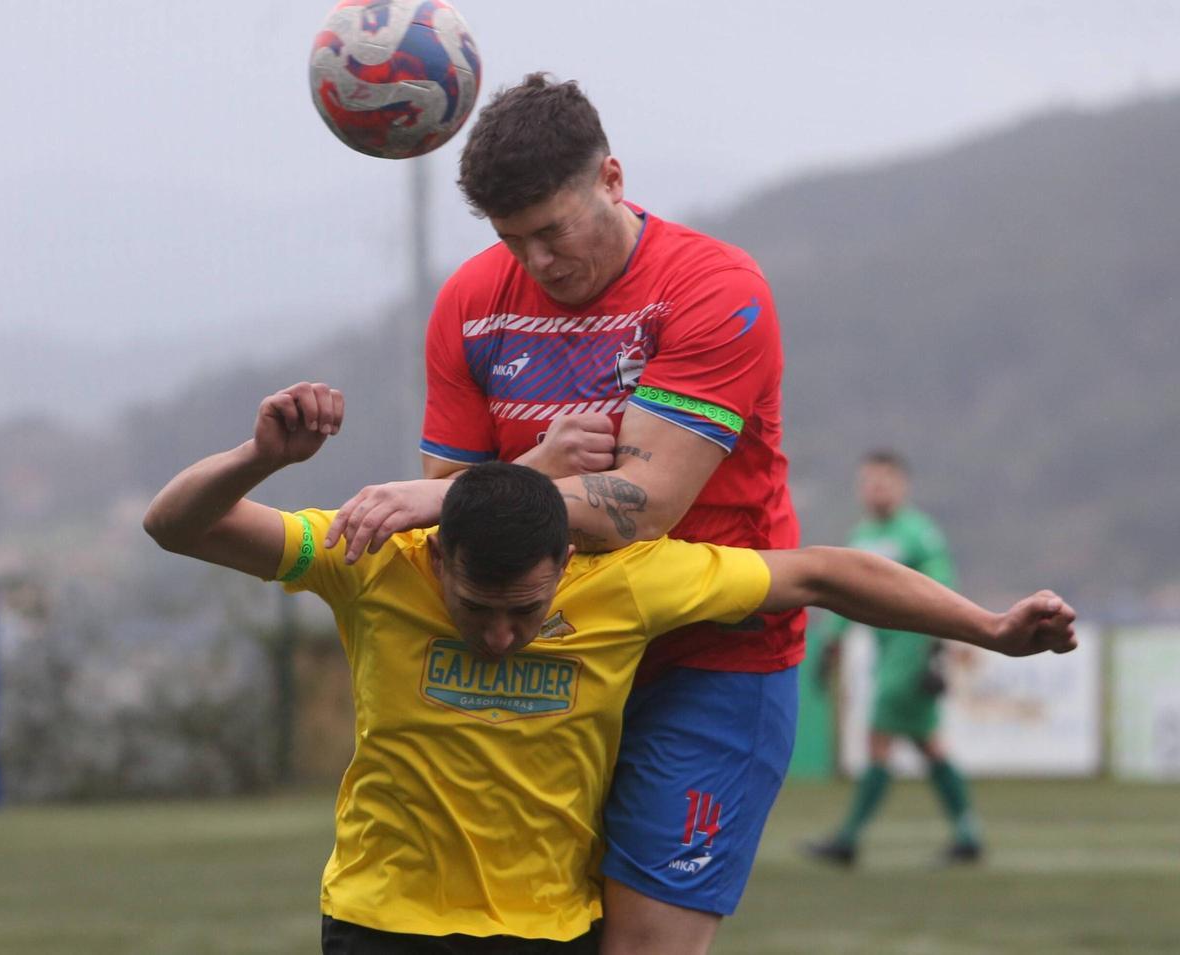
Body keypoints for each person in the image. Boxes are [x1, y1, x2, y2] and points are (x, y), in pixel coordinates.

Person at [142, 382, 1077, 954]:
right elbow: (175, 523)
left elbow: (823, 571)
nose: (502, 636)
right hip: (383, 925)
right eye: (477, 610)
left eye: (527, 612)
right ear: (438, 558)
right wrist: (258, 456)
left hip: (552, 932)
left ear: (568, 564)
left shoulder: (625, 582)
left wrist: (990, 628)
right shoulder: (373, 561)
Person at [325, 73, 803, 954]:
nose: (538, 261)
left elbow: (644, 505)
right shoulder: (473, 302)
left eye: (553, 230)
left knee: (639, 946)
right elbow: (476, 533)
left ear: (612, 180)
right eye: (514, 239)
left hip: (707, 660)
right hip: (550, 650)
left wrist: (459, 490)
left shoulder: (711, 288)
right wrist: (525, 474)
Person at [805, 450, 981, 866]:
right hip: (885, 651)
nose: (875, 489)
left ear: (902, 486)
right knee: (929, 744)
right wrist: (833, 641)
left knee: (879, 738)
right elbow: (845, 592)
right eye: (868, 481)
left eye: (884, 481)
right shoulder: (862, 536)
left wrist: (937, 647)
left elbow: (942, 585)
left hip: (913, 646)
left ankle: (848, 839)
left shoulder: (919, 533)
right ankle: (967, 834)